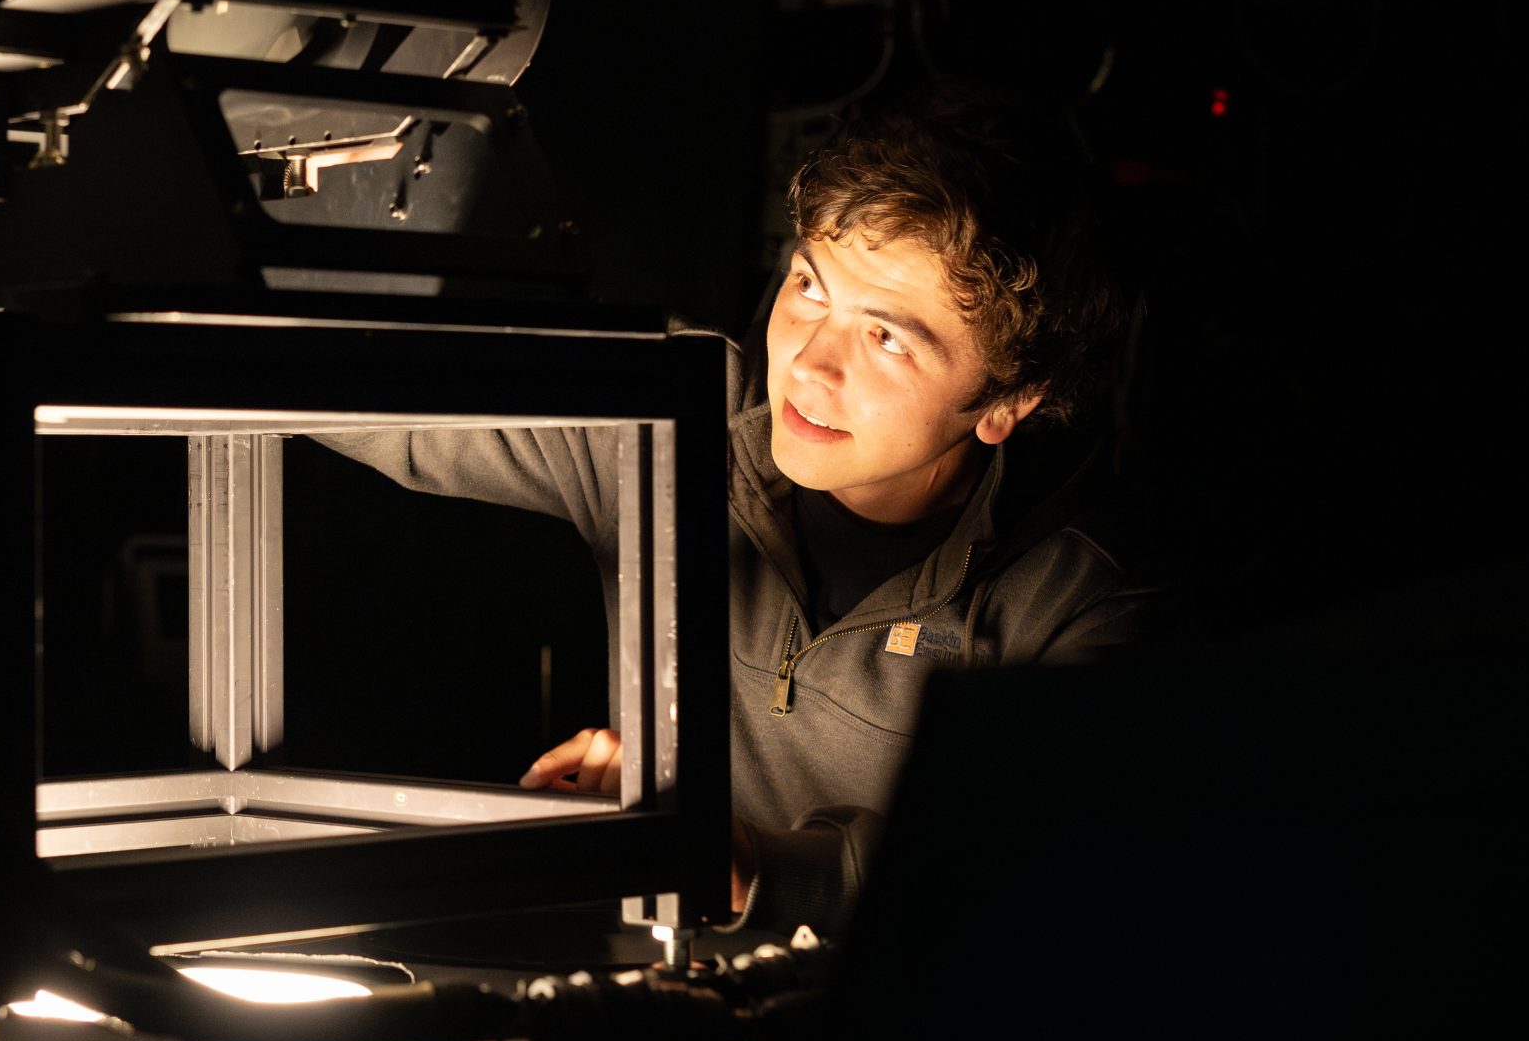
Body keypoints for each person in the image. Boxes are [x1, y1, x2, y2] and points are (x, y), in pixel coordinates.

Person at [320, 81, 1158, 937]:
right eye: (811, 287)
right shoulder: (674, 420)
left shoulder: (1074, 606)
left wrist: (753, 862)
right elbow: (374, 399)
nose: (811, 364)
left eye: (888, 337)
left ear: (1007, 402)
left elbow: (1050, 876)